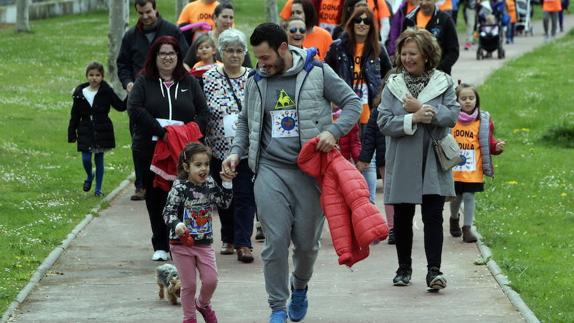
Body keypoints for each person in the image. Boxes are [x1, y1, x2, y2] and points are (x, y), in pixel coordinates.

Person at [222, 22, 361, 323]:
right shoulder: (255, 81)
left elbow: (352, 103)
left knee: (307, 245)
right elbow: (246, 122)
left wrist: (334, 132)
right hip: (270, 170)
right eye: (257, 59)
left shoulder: (317, 72)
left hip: (310, 172)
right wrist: (235, 152)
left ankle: (299, 287)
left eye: (265, 58)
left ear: (283, 48)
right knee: (275, 241)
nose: (261, 65)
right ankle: (277, 307)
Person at [377, 28, 460, 291]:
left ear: (426, 55)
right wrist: (412, 118)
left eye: (413, 53)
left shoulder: (443, 82)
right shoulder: (393, 85)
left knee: (433, 215)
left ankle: (434, 270)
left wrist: (426, 111)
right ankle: (403, 268)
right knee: (402, 216)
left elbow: (451, 116)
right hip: (402, 158)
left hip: (432, 159)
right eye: (404, 53)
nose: (408, 58)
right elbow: (383, 121)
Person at [128, 36, 209, 261]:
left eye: (171, 53)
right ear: (154, 57)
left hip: (183, 150)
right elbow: (135, 109)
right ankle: (160, 244)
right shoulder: (144, 81)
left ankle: (181, 241)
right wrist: (163, 132)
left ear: (178, 56)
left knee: (182, 196)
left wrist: (189, 132)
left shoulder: (189, 82)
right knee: (156, 197)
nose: (167, 58)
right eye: (162, 53)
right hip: (150, 148)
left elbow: (203, 113)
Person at [117, 0, 189, 201]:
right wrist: (128, 83)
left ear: (155, 9)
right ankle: (141, 184)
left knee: (168, 136)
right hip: (140, 93)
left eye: (148, 11)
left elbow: (184, 55)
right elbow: (122, 63)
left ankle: (173, 178)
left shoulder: (172, 30)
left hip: (167, 92)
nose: (146, 16)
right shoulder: (131, 35)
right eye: (141, 13)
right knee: (139, 141)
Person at [325, 7, 393, 204]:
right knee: (344, 157)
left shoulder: (378, 49)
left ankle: (368, 203)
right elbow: (325, 73)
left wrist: (380, 99)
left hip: (369, 112)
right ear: (351, 23)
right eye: (358, 20)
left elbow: (389, 76)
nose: (362, 24)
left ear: (372, 26)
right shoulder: (338, 47)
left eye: (367, 21)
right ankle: (348, 201)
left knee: (367, 157)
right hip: (343, 111)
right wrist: (332, 99)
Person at [202, 28, 257, 262]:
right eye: (229, 50)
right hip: (217, 148)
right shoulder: (209, 77)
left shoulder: (254, 77)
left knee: (245, 195)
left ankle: (244, 243)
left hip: (246, 149)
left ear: (244, 53)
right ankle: (229, 237)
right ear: (220, 53)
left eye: (238, 51)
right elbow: (202, 110)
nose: (234, 55)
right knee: (224, 195)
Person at [163, 142, 233, 323]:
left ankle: (202, 304)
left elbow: (224, 203)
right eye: (198, 165)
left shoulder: (209, 183)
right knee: (189, 285)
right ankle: (189, 318)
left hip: (204, 243)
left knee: (211, 280)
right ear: (186, 167)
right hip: (181, 244)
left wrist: (227, 182)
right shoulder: (179, 187)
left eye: (206, 164)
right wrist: (177, 225)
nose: (204, 169)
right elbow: (168, 212)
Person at [449, 84, 505, 242]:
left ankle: (467, 228)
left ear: (477, 100)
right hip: (454, 169)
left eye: (471, 98)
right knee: (456, 197)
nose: (467, 102)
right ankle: (454, 218)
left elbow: (488, 142)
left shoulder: (483, 120)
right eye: (463, 98)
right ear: (456, 101)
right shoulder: (451, 119)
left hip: (474, 169)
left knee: (468, 196)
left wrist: (496, 147)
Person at [68, 62, 126, 197]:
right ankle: (89, 175)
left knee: (99, 159)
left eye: (97, 75)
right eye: (91, 75)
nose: (94, 78)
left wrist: (131, 94)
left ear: (102, 76)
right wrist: (72, 132)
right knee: (86, 159)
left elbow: (120, 106)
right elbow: (75, 115)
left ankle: (98, 189)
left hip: (102, 130)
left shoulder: (106, 92)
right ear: (87, 76)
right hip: (85, 130)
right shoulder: (80, 94)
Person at [183, 3, 253, 70]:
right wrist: (192, 79)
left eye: (231, 18)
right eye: (224, 17)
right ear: (215, 18)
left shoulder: (238, 41)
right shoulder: (203, 39)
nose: (228, 21)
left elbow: (249, 68)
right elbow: (186, 64)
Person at [403, 0, 460, 75]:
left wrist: (439, 69)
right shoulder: (409, 19)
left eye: (428, 0)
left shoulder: (445, 20)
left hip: (439, 76)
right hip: (412, 75)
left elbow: (453, 51)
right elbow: (403, 46)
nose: (424, 3)